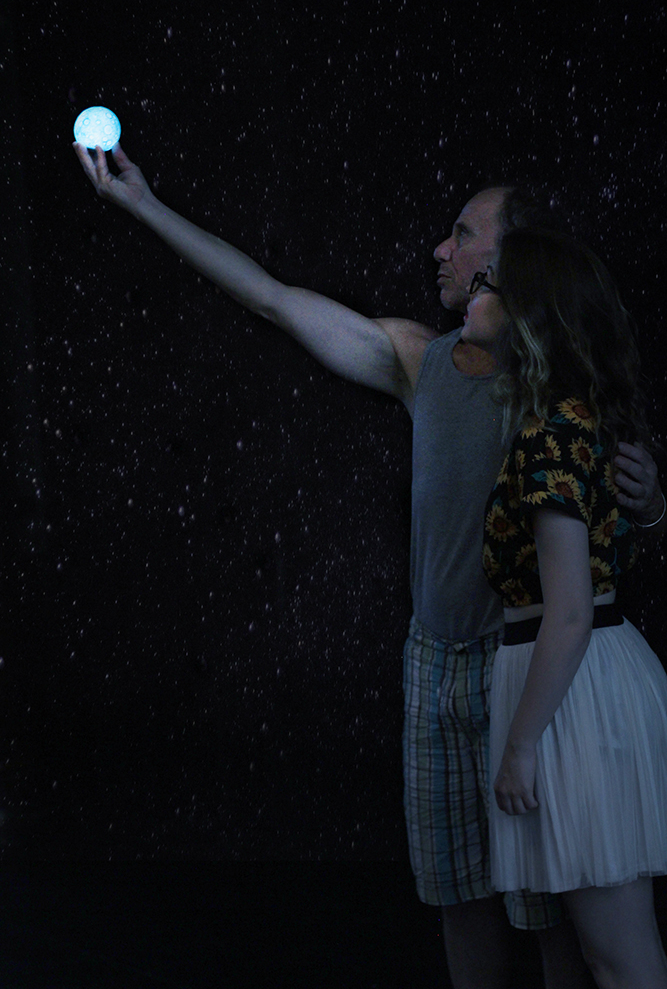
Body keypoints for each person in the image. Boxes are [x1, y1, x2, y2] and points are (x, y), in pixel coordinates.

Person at [73, 141, 664, 989]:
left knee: (551, 909)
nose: (440, 249)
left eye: (464, 234)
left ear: (514, 264)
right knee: (459, 897)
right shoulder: (419, 361)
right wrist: (144, 205)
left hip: (523, 665)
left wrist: (653, 503)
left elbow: (606, 544)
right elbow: (272, 298)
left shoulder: (556, 397)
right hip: (436, 663)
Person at [467, 228, 667, 987]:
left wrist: (521, 745)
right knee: (612, 952)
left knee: (618, 956)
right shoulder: (568, 421)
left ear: (530, 317)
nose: (473, 293)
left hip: (573, 694)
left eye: (490, 283)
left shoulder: (549, 436)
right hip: (581, 686)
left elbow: (571, 612)